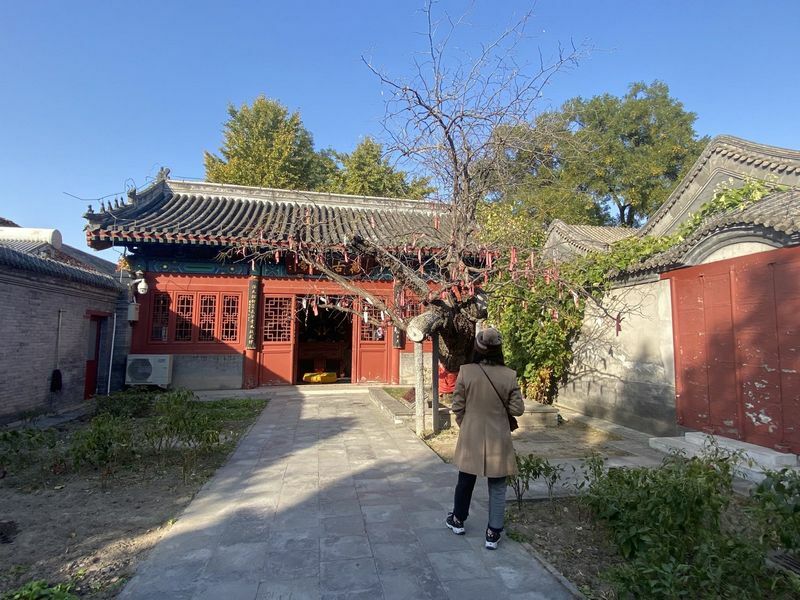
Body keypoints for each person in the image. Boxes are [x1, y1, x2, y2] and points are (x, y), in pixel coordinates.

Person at [445, 327, 525, 549]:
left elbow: (457, 406)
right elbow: (518, 409)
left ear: (478, 350)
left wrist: (466, 424)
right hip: (498, 437)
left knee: (465, 481)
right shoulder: (509, 375)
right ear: (499, 350)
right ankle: (493, 532)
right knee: (498, 485)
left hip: (471, 436)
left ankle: (458, 520)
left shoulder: (466, 372)